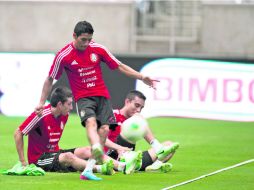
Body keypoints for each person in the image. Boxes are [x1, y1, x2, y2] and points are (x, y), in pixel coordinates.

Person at [35, 21, 158, 180]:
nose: (86, 43)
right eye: (83, 40)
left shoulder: (98, 49)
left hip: (102, 96)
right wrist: (40, 102)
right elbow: (50, 79)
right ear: (74, 36)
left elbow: (119, 66)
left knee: (104, 130)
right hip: (83, 98)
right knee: (91, 123)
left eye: (89, 39)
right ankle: (96, 148)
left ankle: (89, 169)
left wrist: (141, 77)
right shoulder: (63, 55)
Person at [14, 86, 141, 180]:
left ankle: (122, 166)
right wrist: (23, 161)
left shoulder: (64, 115)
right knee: (68, 156)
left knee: (87, 150)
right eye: (69, 104)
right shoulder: (41, 115)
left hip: (54, 154)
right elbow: (18, 133)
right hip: (38, 159)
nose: (71, 108)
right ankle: (100, 168)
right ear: (59, 104)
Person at [106, 90, 179, 172]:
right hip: (111, 155)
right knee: (139, 118)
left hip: (130, 159)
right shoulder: (112, 115)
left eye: (141, 107)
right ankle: (158, 148)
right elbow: (100, 140)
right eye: (136, 105)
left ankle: (155, 166)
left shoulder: (135, 120)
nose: (139, 110)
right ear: (127, 102)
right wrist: (118, 148)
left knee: (169, 145)